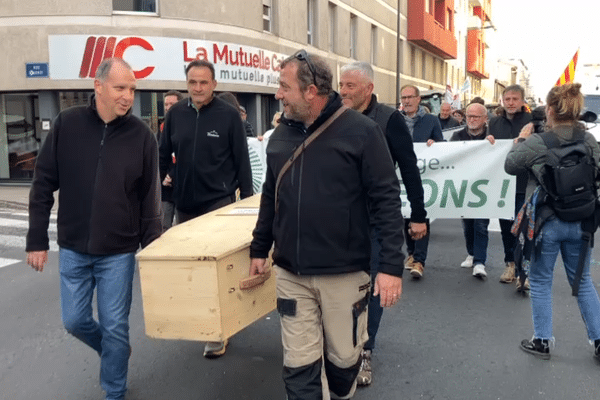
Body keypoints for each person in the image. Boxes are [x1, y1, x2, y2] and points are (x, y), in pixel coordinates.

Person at [249, 50, 405, 400]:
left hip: (345, 274)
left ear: (311, 91)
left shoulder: (363, 132)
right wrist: (260, 248)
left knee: (343, 362)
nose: (278, 94)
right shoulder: (280, 137)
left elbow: (386, 200)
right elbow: (270, 195)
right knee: (299, 365)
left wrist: (392, 266)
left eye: (283, 87)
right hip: (291, 273)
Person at [26, 58, 161, 400]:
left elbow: (149, 199)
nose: (128, 96)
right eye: (120, 88)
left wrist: (155, 250)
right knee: (74, 321)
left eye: (132, 89)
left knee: (116, 326)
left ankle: (114, 391)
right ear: (98, 86)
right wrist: (36, 239)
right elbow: (43, 184)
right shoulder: (67, 124)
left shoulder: (141, 136)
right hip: (73, 247)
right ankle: (114, 350)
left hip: (118, 252)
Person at [339, 61, 426, 386]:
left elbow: (409, 168)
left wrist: (419, 215)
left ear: (368, 88)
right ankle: (339, 345)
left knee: (374, 286)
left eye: (350, 86)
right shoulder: (334, 115)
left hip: (376, 221)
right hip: (340, 221)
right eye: (341, 85)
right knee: (343, 286)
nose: (343, 92)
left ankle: (365, 349)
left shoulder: (389, 120)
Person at [159, 59, 253, 358]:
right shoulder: (175, 114)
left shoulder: (228, 116)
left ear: (214, 84)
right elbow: (162, 154)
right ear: (187, 85)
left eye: (203, 82)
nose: (198, 88)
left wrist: (248, 205)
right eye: (192, 83)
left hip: (219, 205)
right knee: (195, 274)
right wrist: (163, 188)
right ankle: (205, 323)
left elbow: (242, 162)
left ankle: (218, 333)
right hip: (185, 206)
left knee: (216, 273)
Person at [505, 82, 600, 361]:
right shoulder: (589, 141)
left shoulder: (540, 141)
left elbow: (511, 165)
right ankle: (598, 339)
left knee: (541, 279)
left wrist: (522, 140)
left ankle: (543, 340)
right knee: (582, 281)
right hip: (583, 220)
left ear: (549, 110)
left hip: (549, 219)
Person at [487, 85, 532, 289]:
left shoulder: (532, 123)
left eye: (515, 99)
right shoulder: (494, 122)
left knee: (525, 228)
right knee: (507, 227)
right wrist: (486, 142)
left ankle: (525, 271)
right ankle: (510, 264)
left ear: (522, 101)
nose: (511, 102)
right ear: (502, 100)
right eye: (508, 99)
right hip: (503, 184)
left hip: (525, 184)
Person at [400, 84, 444, 278]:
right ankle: (410, 254)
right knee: (405, 215)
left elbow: (442, 147)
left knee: (421, 215)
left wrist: (434, 145)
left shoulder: (431, 121)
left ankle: (420, 260)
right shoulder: (396, 120)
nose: (407, 101)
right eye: (403, 98)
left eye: (410, 97)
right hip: (401, 176)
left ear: (418, 99)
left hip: (425, 176)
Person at [450, 103, 495, 278]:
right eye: (469, 116)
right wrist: (433, 145)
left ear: (485, 119)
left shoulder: (492, 136)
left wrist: (494, 145)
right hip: (464, 188)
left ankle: (480, 262)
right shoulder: (457, 135)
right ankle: (472, 253)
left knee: (481, 225)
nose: (472, 120)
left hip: (485, 188)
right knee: (468, 224)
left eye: (476, 117)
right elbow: (447, 154)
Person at [158, 90, 184, 231]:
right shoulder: (162, 127)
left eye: (171, 104)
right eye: (166, 104)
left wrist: (173, 173)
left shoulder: (189, 125)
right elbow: (161, 155)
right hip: (166, 188)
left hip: (182, 187)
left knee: (182, 229)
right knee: (163, 228)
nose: (168, 107)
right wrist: (163, 176)